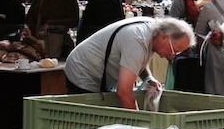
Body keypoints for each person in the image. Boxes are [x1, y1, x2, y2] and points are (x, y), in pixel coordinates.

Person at [64, 17, 194, 109]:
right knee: (89, 122)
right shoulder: (138, 39)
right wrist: (138, 125)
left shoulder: (153, 31)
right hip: (83, 71)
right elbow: (124, 92)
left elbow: (139, 60)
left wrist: (148, 78)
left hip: (96, 72)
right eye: (174, 50)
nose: (172, 56)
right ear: (164, 37)